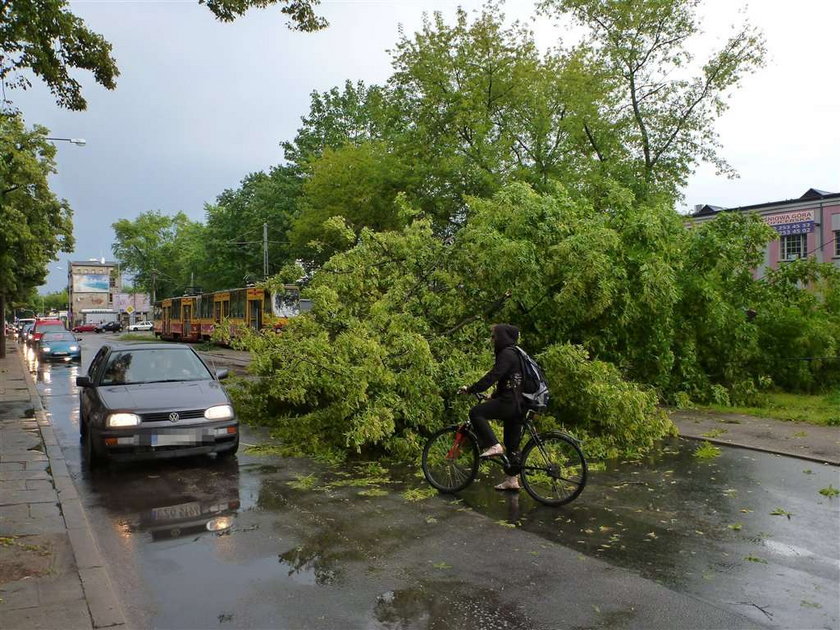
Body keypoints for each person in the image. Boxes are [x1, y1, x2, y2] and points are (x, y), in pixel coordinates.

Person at [458, 323, 526, 491]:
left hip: (510, 403)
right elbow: (508, 382)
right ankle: (512, 480)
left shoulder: (507, 354)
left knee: (476, 413)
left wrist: (472, 389)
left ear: (502, 337)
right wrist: (493, 396)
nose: (492, 339)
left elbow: (494, 376)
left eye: (494, 336)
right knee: (512, 444)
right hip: (519, 404)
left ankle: (493, 445)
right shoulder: (516, 355)